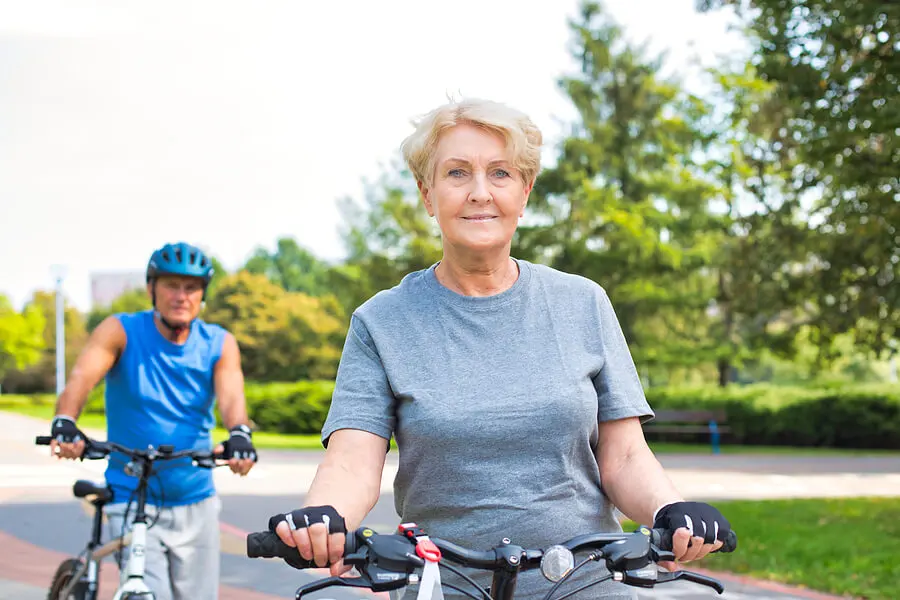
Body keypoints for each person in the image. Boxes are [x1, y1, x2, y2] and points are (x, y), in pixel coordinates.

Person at [267, 98, 734, 599]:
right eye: (457, 173)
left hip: (584, 580)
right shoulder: (381, 321)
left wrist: (672, 510)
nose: (479, 193)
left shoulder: (583, 303)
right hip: (443, 583)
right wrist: (324, 518)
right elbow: (353, 463)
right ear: (428, 194)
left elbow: (623, 457)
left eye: (501, 173)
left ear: (525, 192)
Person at [48, 241, 258, 600]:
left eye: (191, 287)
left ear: (202, 295)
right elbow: (80, 379)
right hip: (132, 498)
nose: (181, 295)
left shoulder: (219, 343)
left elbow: (232, 399)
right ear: (151, 289)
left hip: (196, 499)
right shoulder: (120, 330)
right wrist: (64, 421)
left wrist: (239, 435)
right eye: (171, 285)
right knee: (149, 593)